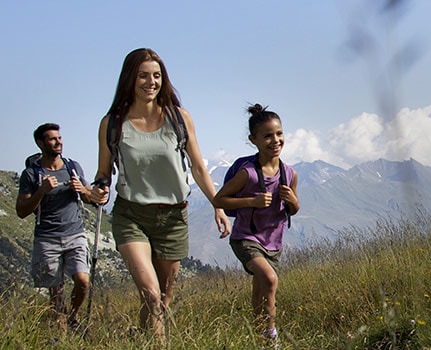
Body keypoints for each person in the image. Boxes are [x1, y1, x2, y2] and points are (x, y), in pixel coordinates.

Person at [89, 48, 230, 339]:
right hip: (132, 217)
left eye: (156, 75)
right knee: (152, 295)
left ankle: (141, 340)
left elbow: (199, 167)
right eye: (143, 76)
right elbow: (104, 172)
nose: (150, 82)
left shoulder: (179, 118)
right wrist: (100, 188)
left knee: (162, 302)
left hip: (173, 218)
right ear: (130, 79)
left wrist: (218, 205)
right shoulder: (113, 123)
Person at [212, 103, 300, 343]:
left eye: (279, 134)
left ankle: (257, 338)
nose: (275, 140)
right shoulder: (248, 172)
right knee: (270, 279)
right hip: (245, 238)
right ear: (254, 140)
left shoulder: (290, 173)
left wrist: (294, 201)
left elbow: (293, 208)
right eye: (268, 136)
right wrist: (252, 200)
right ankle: (271, 339)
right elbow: (219, 199)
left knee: (261, 290)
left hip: (274, 242)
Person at [16, 123, 100, 333]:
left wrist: (83, 191)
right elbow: (22, 210)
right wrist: (42, 191)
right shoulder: (31, 174)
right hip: (47, 238)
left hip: (75, 234)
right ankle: (61, 328)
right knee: (56, 290)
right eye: (52, 139)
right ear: (40, 143)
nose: (58, 142)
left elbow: (91, 198)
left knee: (82, 280)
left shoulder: (73, 167)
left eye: (59, 138)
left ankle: (72, 317)